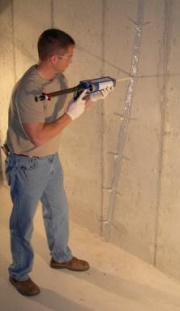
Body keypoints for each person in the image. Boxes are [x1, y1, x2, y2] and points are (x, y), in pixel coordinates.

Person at [4, 28, 113, 296]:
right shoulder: (27, 91)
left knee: (59, 211)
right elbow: (38, 136)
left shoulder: (59, 78)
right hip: (27, 164)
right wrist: (73, 115)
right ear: (53, 58)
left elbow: (60, 110)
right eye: (68, 56)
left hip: (51, 160)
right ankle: (19, 273)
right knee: (23, 222)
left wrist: (86, 99)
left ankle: (60, 256)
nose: (71, 61)